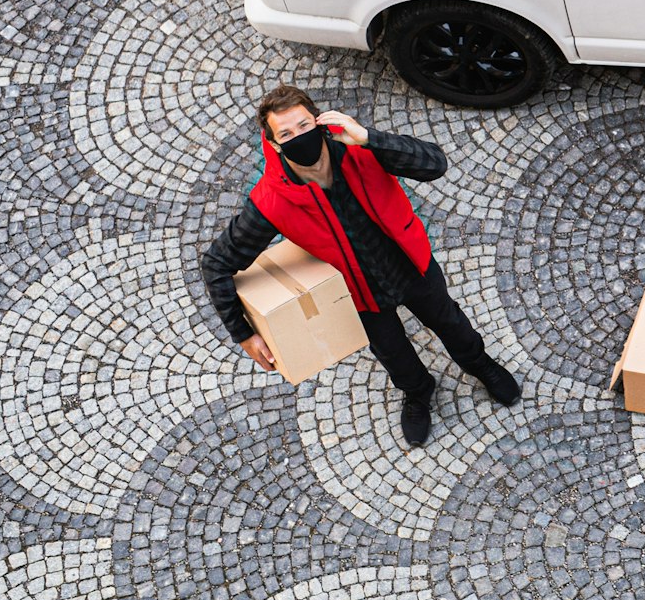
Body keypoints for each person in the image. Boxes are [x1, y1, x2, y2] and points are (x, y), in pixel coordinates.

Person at [200, 84, 519, 446]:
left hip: (411, 266)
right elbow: (216, 264)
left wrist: (369, 138)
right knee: (393, 353)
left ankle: (480, 364)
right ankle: (417, 392)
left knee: (451, 323)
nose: (298, 137)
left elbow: (435, 164)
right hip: (357, 295)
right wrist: (244, 334)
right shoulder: (271, 200)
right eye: (286, 133)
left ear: (320, 122)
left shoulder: (362, 149)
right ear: (273, 143)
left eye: (304, 126)